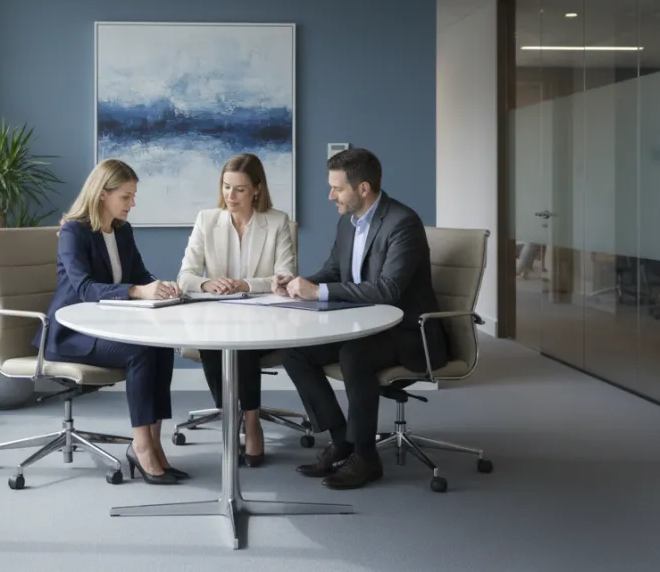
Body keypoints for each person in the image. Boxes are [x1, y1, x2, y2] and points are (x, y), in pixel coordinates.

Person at [273, 148, 445, 490]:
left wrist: (318, 293)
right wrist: (299, 284)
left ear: (363, 188)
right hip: (362, 325)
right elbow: (336, 271)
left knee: (355, 354)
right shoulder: (348, 222)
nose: (330, 195)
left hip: (408, 332)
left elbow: (388, 289)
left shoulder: (402, 223)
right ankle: (342, 440)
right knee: (295, 350)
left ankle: (366, 458)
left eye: (337, 188)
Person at [40, 159, 186, 485]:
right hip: (71, 333)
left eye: (133, 196)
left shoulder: (122, 231)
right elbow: (84, 288)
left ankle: (154, 442)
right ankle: (141, 445)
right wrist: (138, 290)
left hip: (105, 327)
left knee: (161, 346)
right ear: (102, 194)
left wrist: (160, 287)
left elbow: (138, 275)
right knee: (140, 352)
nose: (133, 204)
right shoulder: (73, 232)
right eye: (126, 196)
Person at [177, 153, 297, 467]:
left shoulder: (277, 221)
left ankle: (251, 421)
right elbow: (185, 275)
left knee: (242, 343)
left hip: (265, 319)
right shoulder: (207, 220)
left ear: (257, 189)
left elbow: (284, 277)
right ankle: (232, 415)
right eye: (226, 187)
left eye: (240, 189)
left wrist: (244, 284)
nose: (230, 196)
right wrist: (207, 284)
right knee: (212, 339)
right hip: (216, 317)